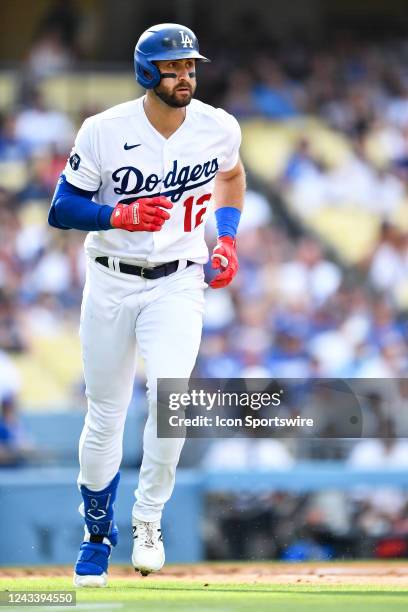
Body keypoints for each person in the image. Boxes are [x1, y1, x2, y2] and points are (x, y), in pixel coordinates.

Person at [48, 23, 245, 587]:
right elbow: (62, 207)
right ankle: (95, 534)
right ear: (145, 71)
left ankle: (149, 518)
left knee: (170, 397)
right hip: (110, 278)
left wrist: (226, 239)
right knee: (106, 413)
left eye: (190, 66)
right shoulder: (104, 129)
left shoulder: (217, 125)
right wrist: (118, 214)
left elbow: (232, 178)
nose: (185, 75)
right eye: (173, 66)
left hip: (178, 279)